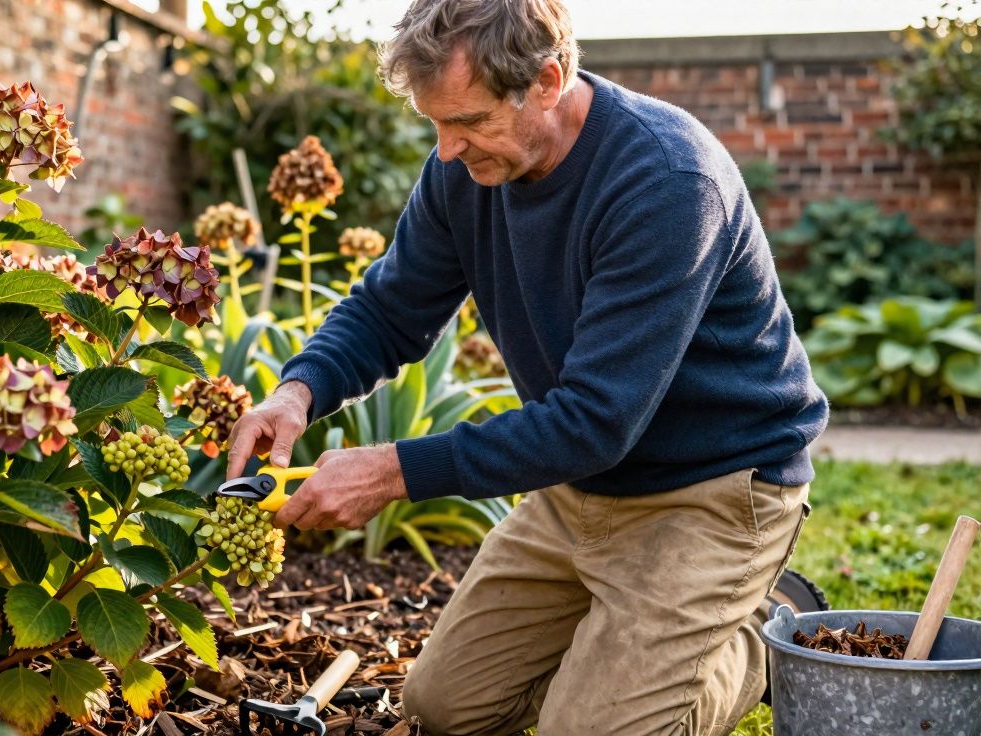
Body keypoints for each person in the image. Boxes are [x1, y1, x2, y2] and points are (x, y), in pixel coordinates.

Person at [223, 0, 829, 733]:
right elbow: (390, 309)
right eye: (436, 124)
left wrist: (391, 470)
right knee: (446, 706)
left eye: (470, 122)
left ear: (548, 78)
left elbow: (596, 420)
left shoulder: (667, 181)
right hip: (580, 487)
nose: (447, 151)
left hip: (713, 490)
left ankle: (767, 632)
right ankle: (629, 650)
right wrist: (298, 391)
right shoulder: (464, 172)